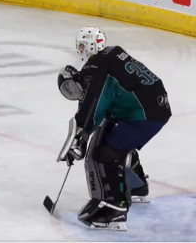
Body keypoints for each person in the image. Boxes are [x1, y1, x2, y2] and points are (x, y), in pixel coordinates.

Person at [56, 26, 171, 231]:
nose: (81, 49)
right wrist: (84, 133)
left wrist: (81, 135)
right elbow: (104, 99)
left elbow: (95, 102)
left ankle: (114, 209)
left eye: (83, 45)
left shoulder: (98, 65)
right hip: (149, 108)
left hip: (144, 115)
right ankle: (136, 186)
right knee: (109, 137)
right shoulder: (111, 55)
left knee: (106, 152)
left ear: (91, 45)